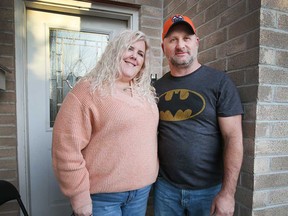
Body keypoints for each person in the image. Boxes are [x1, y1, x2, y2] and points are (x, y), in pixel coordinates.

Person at [52, 30, 159, 216]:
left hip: (141, 192)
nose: (134, 56)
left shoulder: (145, 93)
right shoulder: (88, 90)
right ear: (115, 51)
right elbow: (66, 147)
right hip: (103, 198)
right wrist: (79, 196)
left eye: (140, 53)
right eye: (129, 49)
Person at [153, 14, 244, 216]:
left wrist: (228, 193)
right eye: (173, 39)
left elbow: (233, 138)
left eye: (186, 38)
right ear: (163, 47)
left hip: (209, 191)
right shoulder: (155, 88)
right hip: (166, 190)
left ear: (196, 42)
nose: (180, 45)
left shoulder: (219, 83)